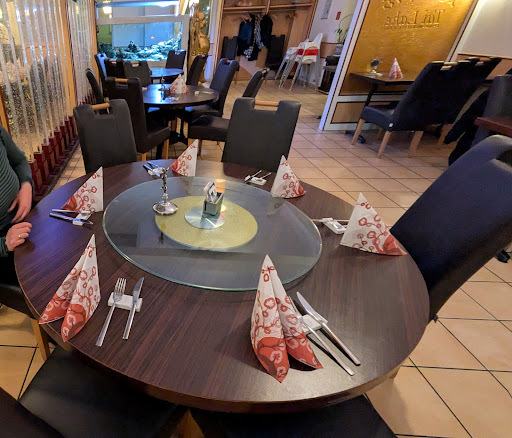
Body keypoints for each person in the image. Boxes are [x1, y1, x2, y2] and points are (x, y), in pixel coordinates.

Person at [0, 125, 33, 285]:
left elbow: (19, 161)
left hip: (23, 214)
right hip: (4, 245)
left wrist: (26, 185)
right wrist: (4, 244)